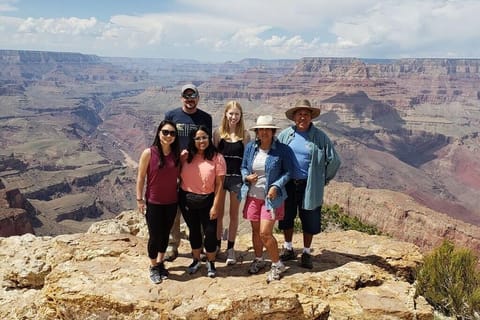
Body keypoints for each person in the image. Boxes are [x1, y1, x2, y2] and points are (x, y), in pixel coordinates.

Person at [277, 99, 341, 269]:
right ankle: (288, 248)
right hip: (288, 183)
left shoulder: (320, 137)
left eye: (306, 114)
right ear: (294, 117)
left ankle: (306, 253)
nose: (303, 117)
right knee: (287, 216)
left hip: (310, 185)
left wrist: (322, 179)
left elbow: (334, 160)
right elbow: (276, 157)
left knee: (309, 217)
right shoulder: (285, 135)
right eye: (299, 114)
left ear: (311, 117)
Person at [240, 115, 294, 283]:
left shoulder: (282, 150)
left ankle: (277, 264)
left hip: (271, 199)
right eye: (260, 129)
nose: (263, 132)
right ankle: (258, 259)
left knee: (265, 233)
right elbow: (243, 167)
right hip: (253, 196)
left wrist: (276, 186)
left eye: (267, 129)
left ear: (272, 131)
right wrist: (247, 177)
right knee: (256, 231)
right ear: (256, 131)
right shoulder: (250, 148)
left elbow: (288, 172)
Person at [164, 84, 213, 262]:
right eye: (186, 97)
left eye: (193, 97)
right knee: (173, 208)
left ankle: (198, 246)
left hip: (196, 169)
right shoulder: (171, 115)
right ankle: (171, 245)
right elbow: (165, 139)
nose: (190, 100)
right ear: (181, 98)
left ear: (198, 98)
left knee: (197, 207)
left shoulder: (206, 118)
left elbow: (207, 143)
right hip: (174, 167)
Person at [136, 120, 181, 284]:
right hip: (154, 202)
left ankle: (161, 262)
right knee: (154, 236)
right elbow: (141, 177)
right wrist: (140, 199)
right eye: (165, 132)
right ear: (159, 133)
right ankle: (153, 266)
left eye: (172, 133)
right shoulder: (149, 153)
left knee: (165, 235)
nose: (169, 136)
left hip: (171, 202)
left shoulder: (177, 155)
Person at [179, 125, 226, 278]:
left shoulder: (217, 157)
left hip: (208, 199)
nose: (201, 141)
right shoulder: (186, 156)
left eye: (204, 137)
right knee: (194, 231)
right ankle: (196, 260)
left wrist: (216, 206)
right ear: (193, 140)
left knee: (210, 233)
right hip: (187, 199)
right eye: (198, 138)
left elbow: (219, 185)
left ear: (209, 139)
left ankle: (211, 262)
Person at [212, 100, 250, 265]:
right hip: (220, 178)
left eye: (237, 114)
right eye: (231, 113)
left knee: (234, 215)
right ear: (225, 114)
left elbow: (247, 159)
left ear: (241, 116)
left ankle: (231, 249)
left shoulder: (245, 135)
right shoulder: (218, 134)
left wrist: (247, 177)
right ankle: (217, 246)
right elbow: (213, 157)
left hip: (236, 179)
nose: (233, 117)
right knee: (219, 215)